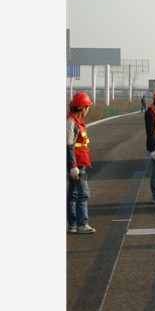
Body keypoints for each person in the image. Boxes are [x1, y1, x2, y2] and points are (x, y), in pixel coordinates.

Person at [67, 92, 96, 234]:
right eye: (87, 107)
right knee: (83, 193)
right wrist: (73, 166)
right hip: (76, 165)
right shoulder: (71, 123)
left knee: (73, 193)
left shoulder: (76, 122)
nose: (88, 110)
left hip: (79, 163)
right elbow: (69, 145)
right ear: (82, 108)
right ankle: (82, 224)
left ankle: (72, 224)